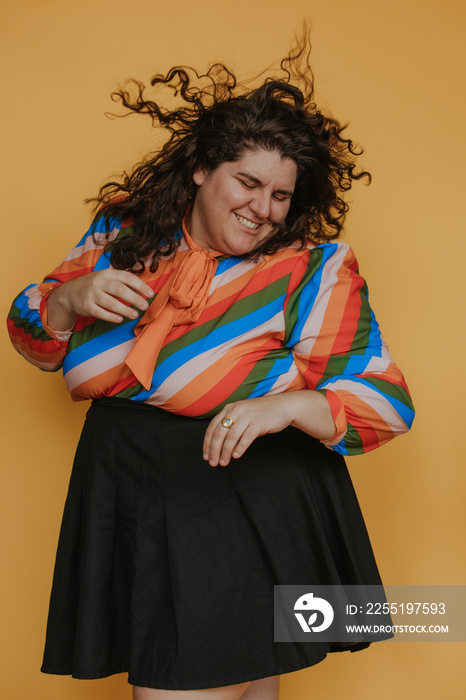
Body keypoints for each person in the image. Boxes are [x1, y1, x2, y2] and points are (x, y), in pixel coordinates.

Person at [7, 29, 414, 700]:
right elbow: (33, 343)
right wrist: (67, 300)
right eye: (247, 182)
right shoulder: (122, 231)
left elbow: (387, 400)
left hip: (237, 495)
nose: (261, 209)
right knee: (247, 686)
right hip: (126, 483)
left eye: (280, 196)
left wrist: (282, 406)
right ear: (201, 169)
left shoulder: (312, 268)